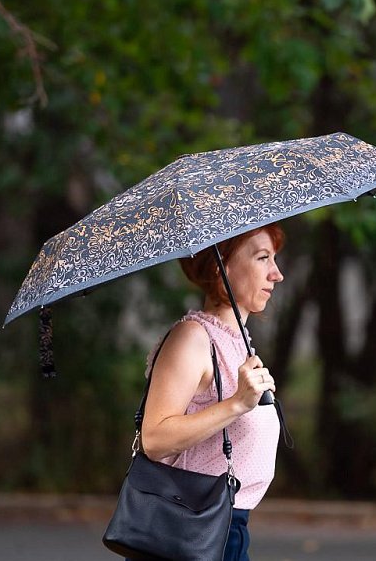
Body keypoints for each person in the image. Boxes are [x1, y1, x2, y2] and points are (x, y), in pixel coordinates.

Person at [137, 223, 285, 561]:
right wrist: (237, 404)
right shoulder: (193, 338)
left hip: (227, 526)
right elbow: (154, 439)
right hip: (189, 528)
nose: (277, 274)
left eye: (274, 258)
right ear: (221, 268)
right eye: (263, 258)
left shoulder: (237, 341)